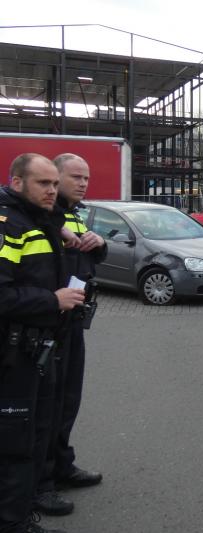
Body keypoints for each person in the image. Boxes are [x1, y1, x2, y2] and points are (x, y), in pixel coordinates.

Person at [1, 153, 85, 533]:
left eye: (55, 183)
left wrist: (68, 234)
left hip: (42, 346)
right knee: (15, 440)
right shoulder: (9, 225)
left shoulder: (43, 219)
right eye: (43, 183)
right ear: (17, 182)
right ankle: (13, 521)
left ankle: (27, 505)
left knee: (37, 430)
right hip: (13, 352)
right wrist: (53, 301)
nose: (53, 191)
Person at [34, 155, 106, 517]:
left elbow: (88, 259)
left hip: (72, 321)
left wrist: (97, 243)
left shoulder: (75, 213)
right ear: (54, 177)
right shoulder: (39, 214)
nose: (82, 183)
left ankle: (62, 464)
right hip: (47, 322)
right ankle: (41, 483)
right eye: (75, 177)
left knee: (67, 400)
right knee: (44, 408)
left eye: (86, 178)